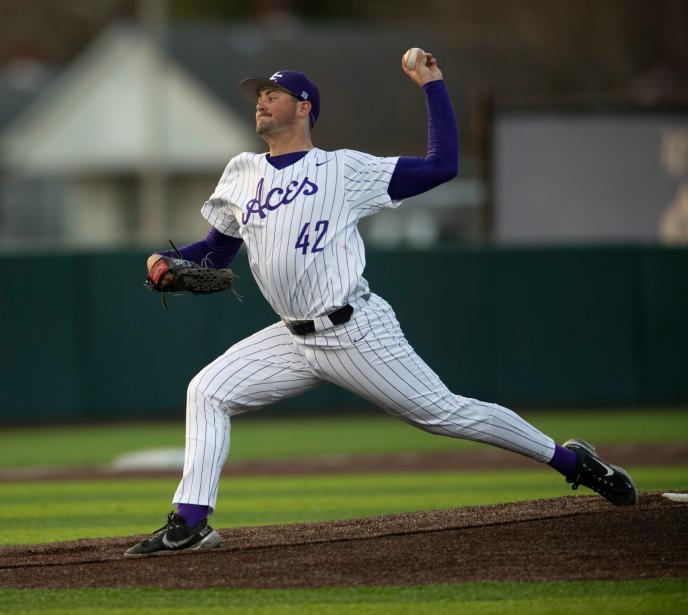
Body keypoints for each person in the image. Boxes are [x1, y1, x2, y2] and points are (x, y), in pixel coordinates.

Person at [125, 50, 637, 558]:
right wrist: (169, 261)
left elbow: (443, 166)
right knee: (208, 390)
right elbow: (216, 251)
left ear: (304, 108)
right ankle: (191, 523)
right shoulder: (241, 171)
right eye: (258, 95)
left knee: (445, 414)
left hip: (354, 331)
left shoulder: (344, 169)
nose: (260, 101)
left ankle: (574, 464)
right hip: (291, 336)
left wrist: (431, 84)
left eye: (272, 93)